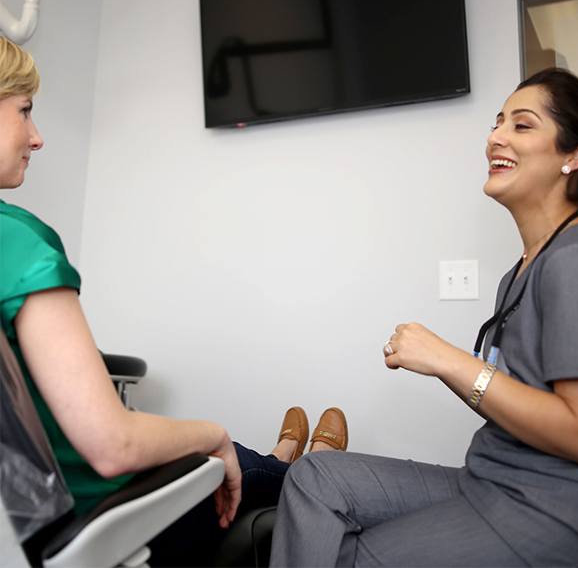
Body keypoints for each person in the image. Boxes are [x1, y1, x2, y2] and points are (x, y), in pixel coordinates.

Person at [269, 68, 578, 567]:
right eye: (498, 123)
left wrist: (448, 360)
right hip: (495, 481)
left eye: (521, 125)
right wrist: (443, 366)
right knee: (315, 477)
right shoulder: (522, 272)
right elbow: (519, 403)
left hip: (565, 510)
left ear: (575, 154)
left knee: (347, 557)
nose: (495, 136)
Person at [0, 36, 349, 566]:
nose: (37, 136)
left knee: (222, 451)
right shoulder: (17, 240)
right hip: (99, 515)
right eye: (24, 111)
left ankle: (283, 456)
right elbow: (112, 445)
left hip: (24, 520)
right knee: (228, 457)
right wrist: (215, 433)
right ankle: (308, 466)